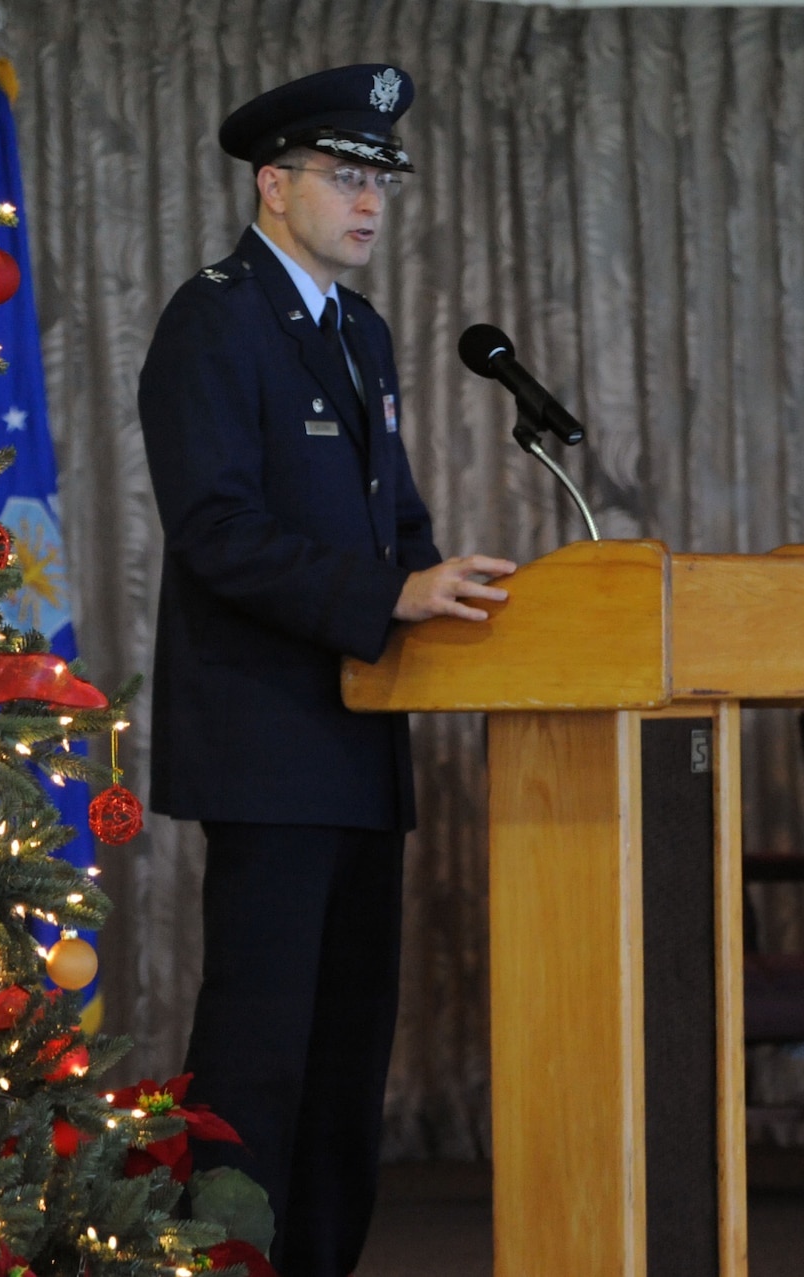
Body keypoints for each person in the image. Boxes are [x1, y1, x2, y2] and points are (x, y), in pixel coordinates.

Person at [136, 65, 516, 1277]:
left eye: (380, 184)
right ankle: (227, 1262)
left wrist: (449, 590)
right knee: (261, 1047)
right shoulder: (213, 317)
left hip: (362, 736)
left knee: (350, 1046)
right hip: (265, 742)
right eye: (346, 179)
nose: (369, 203)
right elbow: (216, 530)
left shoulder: (359, 331)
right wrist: (387, 594)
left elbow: (391, 518)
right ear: (273, 183)